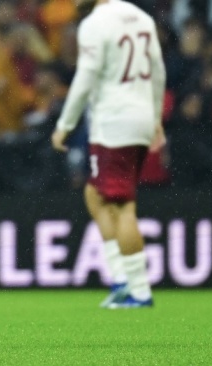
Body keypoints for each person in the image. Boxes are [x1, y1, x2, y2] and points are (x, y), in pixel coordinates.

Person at [51, 0, 166, 309]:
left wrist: (65, 124)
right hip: (139, 115)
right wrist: (155, 119)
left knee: (122, 205)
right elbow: (157, 71)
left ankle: (138, 291)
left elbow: (85, 77)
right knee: (95, 193)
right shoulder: (141, 18)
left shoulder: (95, 23)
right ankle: (120, 279)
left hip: (114, 121)